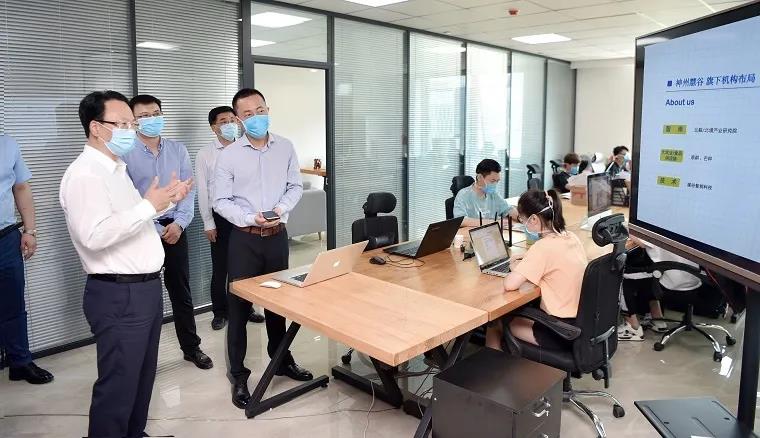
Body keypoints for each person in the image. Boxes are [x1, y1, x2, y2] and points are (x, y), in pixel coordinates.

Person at [60, 90, 192, 437]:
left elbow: (131, 222)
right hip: (119, 293)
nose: (130, 131)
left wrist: (166, 202)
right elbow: (94, 235)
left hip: (144, 287)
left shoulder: (116, 170)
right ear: (96, 128)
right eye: (121, 124)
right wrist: (149, 206)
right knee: (119, 384)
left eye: (131, 124)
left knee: (141, 375)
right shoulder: (86, 175)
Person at [214, 88, 313, 410]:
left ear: (268, 109)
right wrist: (248, 218)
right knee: (239, 310)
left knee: (278, 305)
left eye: (260, 110)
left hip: (277, 237)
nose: (256, 117)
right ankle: (238, 375)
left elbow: (294, 186)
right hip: (244, 239)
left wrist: (280, 210)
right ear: (238, 119)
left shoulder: (285, 147)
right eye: (247, 114)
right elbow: (220, 201)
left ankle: (281, 360)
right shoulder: (229, 155)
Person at [121, 94, 213, 370]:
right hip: (141, 230)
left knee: (181, 290)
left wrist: (179, 224)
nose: (151, 119)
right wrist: (156, 227)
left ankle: (191, 348)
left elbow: (188, 189)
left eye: (156, 114)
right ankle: (141, 357)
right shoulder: (124, 153)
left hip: (175, 228)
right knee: (142, 297)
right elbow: (126, 198)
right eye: (144, 116)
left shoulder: (177, 149)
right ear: (134, 121)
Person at [485, 189, 588, 350]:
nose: (522, 223)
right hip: (581, 322)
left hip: (560, 331)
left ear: (533, 219)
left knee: (496, 320)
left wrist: (514, 268)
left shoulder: (543, 247)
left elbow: (510, 285)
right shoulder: (570, 236)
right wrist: (527, 261)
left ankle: (491, 364)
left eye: (522, 219)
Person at [195, 106, 265, 331]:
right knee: (221, 268)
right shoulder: (205, 154)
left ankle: (246, 308)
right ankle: (220, 312)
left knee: (246, 266)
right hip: (221, 217)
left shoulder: (247, 147)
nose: (230, 125)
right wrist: (208, 222)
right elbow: (203, 190)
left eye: (232, 120)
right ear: (214, 127)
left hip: (245, 215)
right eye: (223, 121)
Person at [0, 135, 53, 385]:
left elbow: (20, 187)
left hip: (6, 237)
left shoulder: (7, 144)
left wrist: (30, 231)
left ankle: (20, 362)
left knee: (13, 303)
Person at [618, 236, 701, 341]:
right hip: (694, 279)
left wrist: (626, 229)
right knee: (651, 269)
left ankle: (633, 328)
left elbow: (642, 242)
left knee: (623, 275)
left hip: (674, 284)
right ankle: (658, 320)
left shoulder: (657, 229)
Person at [453, 158, 517, 228]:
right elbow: (461, 220)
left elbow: (508, 209)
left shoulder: (494, 194)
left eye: (497, 181)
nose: (495, 184)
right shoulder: (463, 195)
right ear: (479, 177)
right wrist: (493, 223)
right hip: (472, 233)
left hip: (492, 231)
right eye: (492, 181)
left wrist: (520, 217)